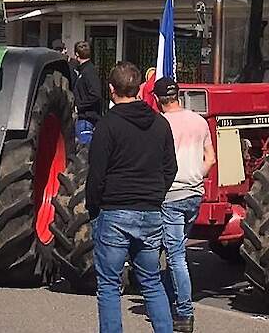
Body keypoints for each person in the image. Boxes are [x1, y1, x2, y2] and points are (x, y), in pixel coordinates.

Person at [86, 61, 177, 333]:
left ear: (111, 89)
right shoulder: (160, 124)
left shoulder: (107, 125)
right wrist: (156, 194)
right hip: (150, 210)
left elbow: (96, 173)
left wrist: (93, 208)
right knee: (151, 281)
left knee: (110, 285)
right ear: (139, 89)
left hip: (115, 210)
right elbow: (170, 167)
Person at [154, 77, 216, 332]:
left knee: (176, 254)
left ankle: (184, 312)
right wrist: (195, 175)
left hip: (171, 195)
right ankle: (171, 297)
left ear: (157, 100)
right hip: (194, 194)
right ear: (178, 95)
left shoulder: (160, 124)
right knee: (175, 247)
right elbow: (210, 159)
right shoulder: (199, 121)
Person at [73, 41, 102, 144]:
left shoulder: (89, 71)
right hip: (85, 117)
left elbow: (96, 94)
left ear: (76, 54)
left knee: (85, 152)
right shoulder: (84, 71)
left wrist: (79, 105)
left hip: (87, 119)